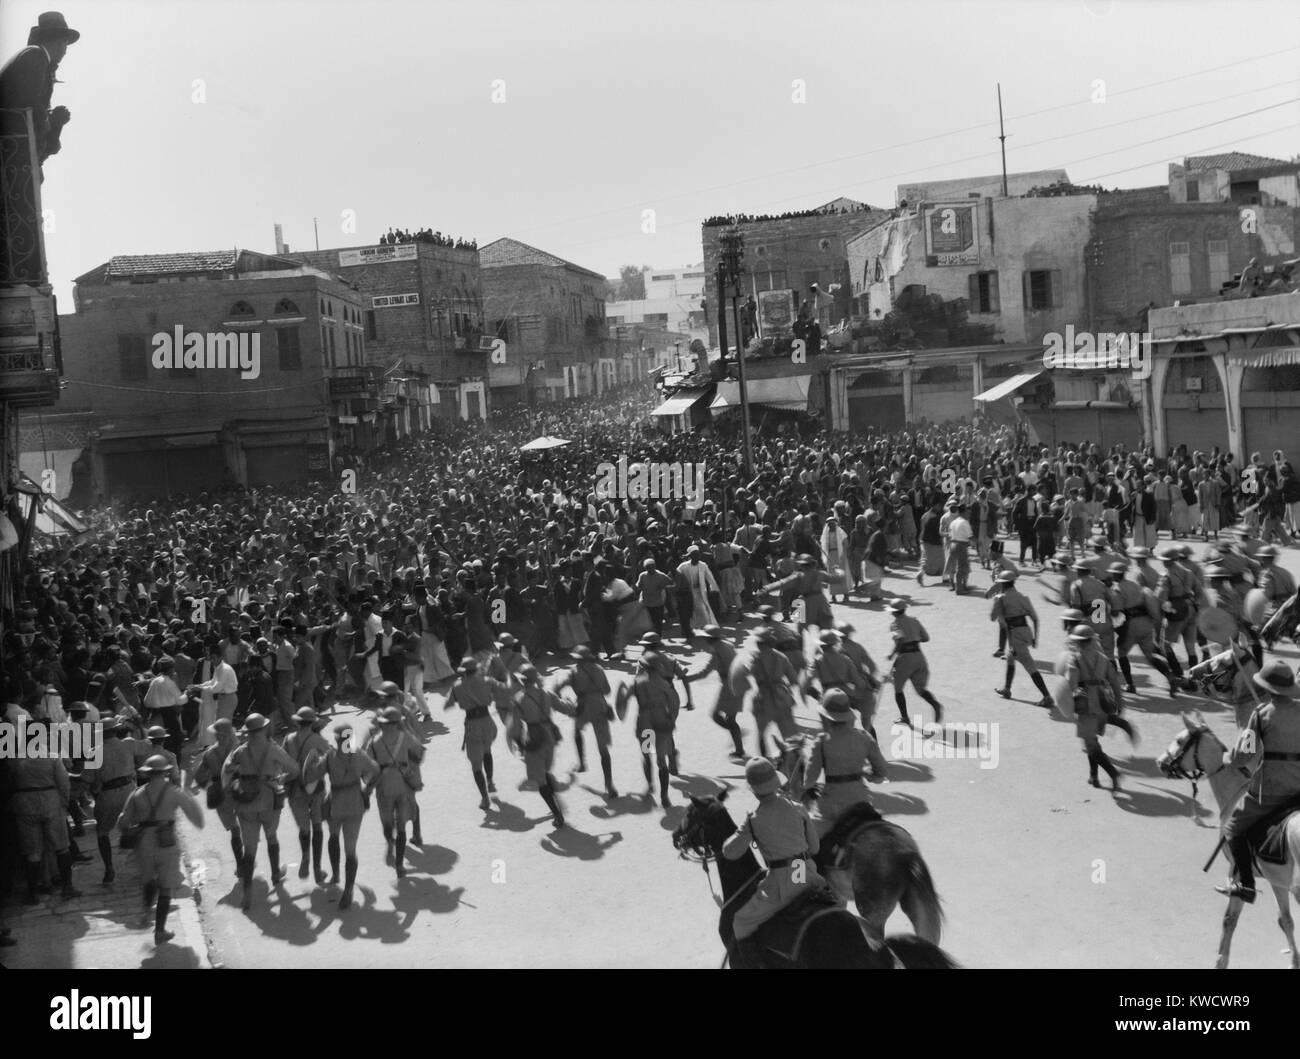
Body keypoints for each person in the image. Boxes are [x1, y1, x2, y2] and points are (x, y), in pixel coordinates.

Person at [722, 757, 825, 969]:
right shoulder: (797, 807)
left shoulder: (754, 818)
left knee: (741, 922)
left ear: (753, 789)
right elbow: (814, 848)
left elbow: (730, 853)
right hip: (805, 873)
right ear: (776, 782)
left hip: (782, 882)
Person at [1216, 660, 1300, 903]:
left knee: (1232, 830)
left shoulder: (1261, 714)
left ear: (1268, 688)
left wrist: (1228, 757)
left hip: (1272, 791)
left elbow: (1244, 755)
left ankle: (1246, 885)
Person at [117, 754, 204, 945]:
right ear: (165, 772)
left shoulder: (137, 793)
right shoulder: (173, 792)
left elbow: (123, 822)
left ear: (147, 774)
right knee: (166, 887)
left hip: (144, 844)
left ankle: (146, 913)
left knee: (148, 881)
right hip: (167, 842)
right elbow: (195, 815)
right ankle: (160, 931)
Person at [221, 712, 300, 911]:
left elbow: (227, 770)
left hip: (245, 803)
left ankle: (247, 893)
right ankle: (275, 874)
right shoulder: (273, 749)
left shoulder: (240, 751)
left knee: (249, 850)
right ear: (264, 729)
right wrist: (280, 779)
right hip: (269, 801)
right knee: (271, 837)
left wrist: (234, 784)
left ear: (247, 732)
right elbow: (295, 769)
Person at [8, 718, 80, 903]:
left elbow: (9, 783)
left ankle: (32, 893)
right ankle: (68, 886)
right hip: (51, 801)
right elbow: (64, 784)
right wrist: (63, 804)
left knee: (32, 851)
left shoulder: (14, 759)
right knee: (61, 847)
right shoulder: (52, 756)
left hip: (24, 804)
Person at [801, 690, 887, 840]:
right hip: (861, 801)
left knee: (812, 842)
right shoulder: (864, 737)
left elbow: (810, 781)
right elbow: (882, 773)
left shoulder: (822, 742)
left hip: (831, 806)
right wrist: (867, 773)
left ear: (826, 717)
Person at [1053, 625, 1129, 791]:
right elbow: (1115, 683)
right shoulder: (1103, 658)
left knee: (1090, 745)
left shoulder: (1074, 660)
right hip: (1103, 705)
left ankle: (1114, 774)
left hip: (1085, 706)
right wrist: (1120, 705)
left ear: (1079, 643)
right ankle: (1093, 776)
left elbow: (1072, 685)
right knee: (1092, 741)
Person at [0, 11, 79, 166]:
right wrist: (49, 120)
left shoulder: (38, 60)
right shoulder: (35, 55)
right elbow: (28, 102)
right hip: (11, 149)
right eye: (65, 43)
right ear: (58, 42)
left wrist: (56, 124)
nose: (65, 51)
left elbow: (36, 114)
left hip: (15, 150)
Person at [508, 665, 575, 825]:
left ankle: (557, 815)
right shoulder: (547, 694)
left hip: (534, 737)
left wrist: (520, 744)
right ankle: (557, 804)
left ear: (523, 681)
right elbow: (566, 709)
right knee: (545, 772)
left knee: (541, 781)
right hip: (550, 737)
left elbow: (515, 728)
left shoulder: (519, 699)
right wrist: (569, 702)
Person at [323, 722, 379, 910]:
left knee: (332, 836)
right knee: (350, 849)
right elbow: (375, 771)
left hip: (336, 802)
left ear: (337, 739)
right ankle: (348, 890)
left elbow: (312, 774)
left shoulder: (330, 756)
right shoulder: (359, 755)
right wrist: (368, 790)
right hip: (355, 803)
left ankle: (335, 874)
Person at [553, 645, 618, 797]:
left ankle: (582, 762)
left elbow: (558, 688)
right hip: (600, 706)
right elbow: (607, 691)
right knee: (603, 750)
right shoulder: (599, 669)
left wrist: (562, 700)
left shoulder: (574, 672)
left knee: (577, 731)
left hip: (582, 707)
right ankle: (609, 785)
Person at [369, 705, 426, 876]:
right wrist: (408, 764)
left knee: (387, 823)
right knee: (401, 826)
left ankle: (390, 843)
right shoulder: (405, 737)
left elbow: (368, 766)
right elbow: (419, 753)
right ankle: (400, 865)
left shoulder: (375, 742)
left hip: (383, 787)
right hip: (402, 785)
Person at [444, 658, 506, 810]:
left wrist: (459, 688)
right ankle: (490, 781)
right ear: (476, 669)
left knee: (476, 765)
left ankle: (485, 798)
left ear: (464, 672)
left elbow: (447, 706)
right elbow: (504, 689)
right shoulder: (487, 681)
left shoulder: (457, 687)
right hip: (488, 723)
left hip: (472, 724)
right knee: (487, 751)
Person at [85, 716, 136, 886]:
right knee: (139, 825)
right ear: (116, 730)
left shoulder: (94, 751)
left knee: (102, 833)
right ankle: (146, 863)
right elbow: (148, 746)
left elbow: (89, 779)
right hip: (130, 789)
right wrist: (139, 725)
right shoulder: (128, 743)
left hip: (108, 794)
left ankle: (109, 868)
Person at [991, 572, 1053, 708]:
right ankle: (1007, 689)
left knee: (1029, 666)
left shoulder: (1000, 598)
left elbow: (992, 617)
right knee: (1010, 657)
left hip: (1015, 635)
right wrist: (1035, 638)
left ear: (1002, 583)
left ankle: (1047, 696)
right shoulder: (1023, 597)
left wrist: (996, 601)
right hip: (1025, 632)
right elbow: (1035, 618)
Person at [685, 625, 746, 761]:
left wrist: (687, 678)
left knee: (717, 716)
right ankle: (739, 745)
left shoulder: (717, 652)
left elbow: (705, 672)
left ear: (710, 639)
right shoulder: (727, 645)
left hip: (730, 686)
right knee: (730, 719)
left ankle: (737, 738)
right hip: (738, 682)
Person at [284, 706, 330, 884]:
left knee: (304, 829)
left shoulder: (288, 739)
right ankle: (317, 870)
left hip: (295, 789)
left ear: (297, 722)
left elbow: (282, 762)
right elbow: (330, 757)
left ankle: (305, 856)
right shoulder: (317, 739)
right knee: (317, 827)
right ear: (312, 723)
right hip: (315, 787)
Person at [192, 717, 244, 874]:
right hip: (240, 789)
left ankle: (240, 864)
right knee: (248, 827)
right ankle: (247, 859)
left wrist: (210, 787)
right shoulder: (241, 750)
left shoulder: (209, 754)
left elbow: (199, 776)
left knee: (235, 831)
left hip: (222, 793)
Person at [887, 599, 943, 728]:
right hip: (919, 656)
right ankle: (935, 704)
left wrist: (892, 654)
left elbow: (900, 641)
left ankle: (905, 717)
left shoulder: (894, 624)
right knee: (921, 689)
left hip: (905, 658)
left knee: (898, 689)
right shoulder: (914, 620)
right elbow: (926, 638)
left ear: (894, 613)